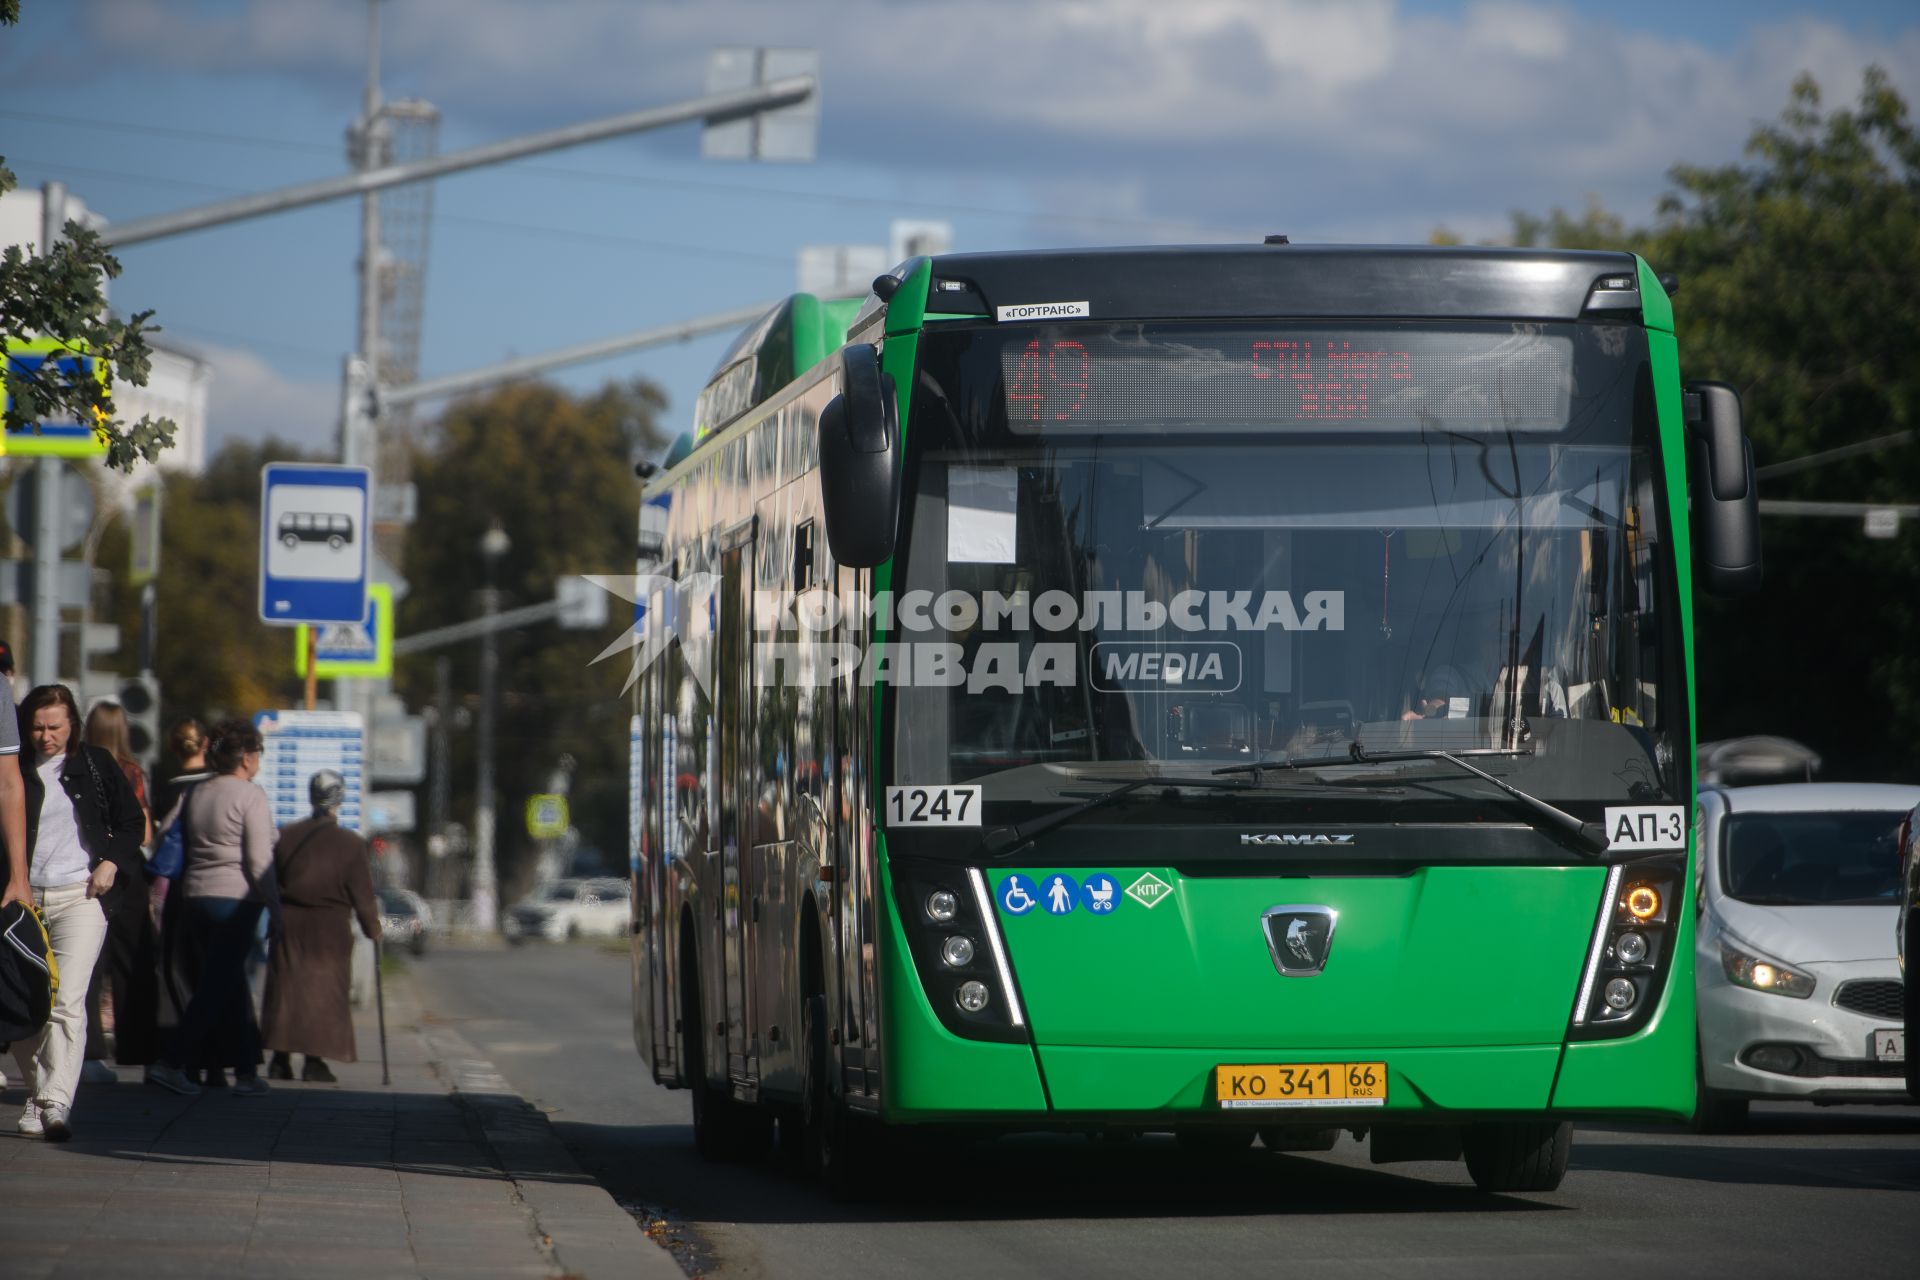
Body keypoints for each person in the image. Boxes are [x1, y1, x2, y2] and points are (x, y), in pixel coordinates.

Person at [10, 685, 145, 1141]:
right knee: (25, 1005)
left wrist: (110, 862)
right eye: (37, 727)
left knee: (67, 1002)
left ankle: (55, 1104)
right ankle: (39, 1093)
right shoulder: (14, 769)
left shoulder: (95, 765)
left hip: (81, 896)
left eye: (55, 727)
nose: (46, 737)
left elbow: (132, 823)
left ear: (73, 726)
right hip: (24, 900)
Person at [147, 720, 280, 1098]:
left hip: (194, 897)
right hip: (237, 901)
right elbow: (258, 860)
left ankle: (245, 1071)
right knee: (216, 987)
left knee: (229, 982)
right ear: (249, 759)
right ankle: (172, 1063)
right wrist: (275, 905)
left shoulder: (198, 792)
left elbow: (162, 835)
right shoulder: (250, 795)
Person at [262, 770, 381, 1083]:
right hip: (329, 929)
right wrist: (374, 929)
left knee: (286, 991)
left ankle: (279, 1059)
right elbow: (363, 895)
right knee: (323, 992)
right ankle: (314, 1062)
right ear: (339, 799)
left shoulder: (286, 835)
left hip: (288, 922)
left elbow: (270, 882)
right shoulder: (351, 844)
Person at [81, 701, 161, 1078]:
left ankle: (91, 1052)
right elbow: (143, 831)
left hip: (85, 869)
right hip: (127, 872)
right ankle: (139, 1048)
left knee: (89, 962)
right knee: (134, 961)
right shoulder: (130, 772)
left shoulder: (77, 767)